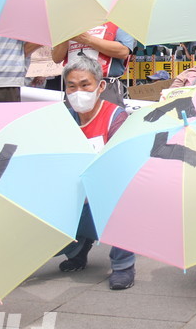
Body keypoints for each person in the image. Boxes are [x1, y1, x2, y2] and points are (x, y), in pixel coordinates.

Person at [58, 55, 136, 290]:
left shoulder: (115, 117)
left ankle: (123, 266)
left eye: (85, 85)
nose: (77, 92)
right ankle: (78, 249)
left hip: (107, 190)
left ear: (100, 86)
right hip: (76, 189)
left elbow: (121, 165)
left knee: (124, 200)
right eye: (71, 86)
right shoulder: (63, 118)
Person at [51, 22, 136, 106]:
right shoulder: (71, 23)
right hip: (74, 86)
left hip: (104, 85)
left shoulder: (117, 22)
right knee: (72, 118)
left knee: (105, 118)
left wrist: (88, 40)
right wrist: (65, 37)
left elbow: (123, 51)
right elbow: (56, 58)